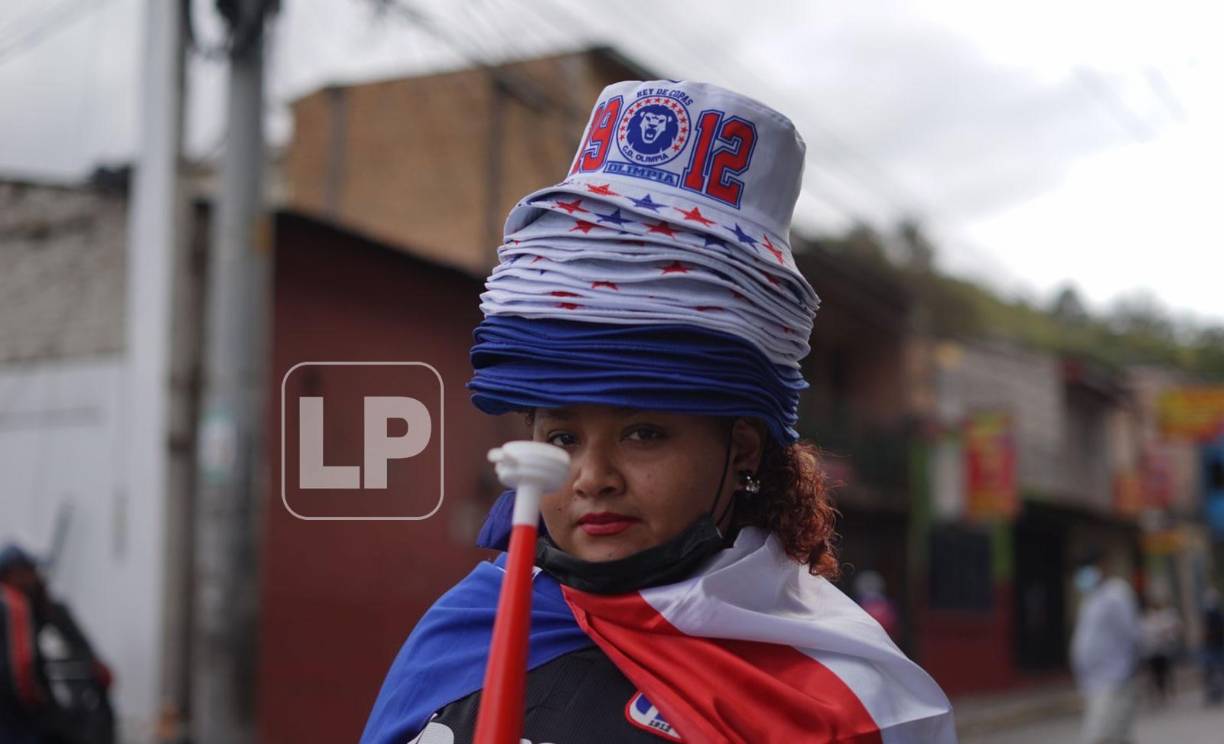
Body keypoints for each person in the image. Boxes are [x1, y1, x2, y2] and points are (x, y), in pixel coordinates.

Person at [361, 79, 955, 743]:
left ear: (745, 449)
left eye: (644, 433)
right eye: (560, 436)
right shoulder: (469, 628)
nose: (592, 477)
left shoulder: (848, 697)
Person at [0, 544, 115, 744]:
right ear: (13, 574)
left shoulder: (45, 610)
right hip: (22, 717)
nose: (35, 577)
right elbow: (22, 667)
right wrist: (38, 702)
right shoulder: (15, 606)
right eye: (28, 571)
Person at [1070, 549, 1141, 744]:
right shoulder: (1090, 598)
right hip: (1094, 682)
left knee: (1099, 737)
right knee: (1118, 738)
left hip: (1113, 680)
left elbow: (1131, 635)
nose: (1082, 575)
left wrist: (1127, 671)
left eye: (1086, 568)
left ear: (1101, 566)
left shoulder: (1116, 594)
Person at [1139, 589, 1181, 703]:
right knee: (1155, 674)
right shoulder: (1145, 619)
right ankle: (1158, 694)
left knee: (1165, 672)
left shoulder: (1163, 616)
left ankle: (1166, 692)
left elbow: (1171, 629)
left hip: (1162, 649)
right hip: (1152, 651)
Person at [1203, 587, 1224, 705]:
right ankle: (1214, 693)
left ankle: (1215, 693)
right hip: (1213, 645)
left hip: (1217, 645)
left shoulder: (1216, 614)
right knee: (1213, 670)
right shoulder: (1210, 614)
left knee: (1215, 670)